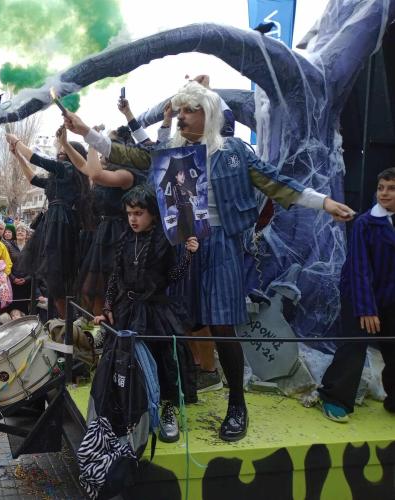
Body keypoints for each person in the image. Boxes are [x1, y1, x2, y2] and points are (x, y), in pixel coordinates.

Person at [66, 80, 354, 441]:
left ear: (211, 114)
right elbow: (125, 154)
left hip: (222, 248)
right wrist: (86, 133)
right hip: (180, 246)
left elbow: (275, 182)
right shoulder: (172, 151)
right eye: (181, 110)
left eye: (191, 110)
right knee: (171, 329)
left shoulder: (234, 151)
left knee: (222, 328)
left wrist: (323, 202)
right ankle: (170, 402)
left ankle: (237, 404)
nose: (182, 116)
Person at [94, 184, 199, 443]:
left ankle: (167, 410)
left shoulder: (164, 239)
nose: (133, 219)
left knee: (165, 361)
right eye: (130, 213)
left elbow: (171, 277)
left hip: (156, 311)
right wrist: (107, 307)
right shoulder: (124, 239)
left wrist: (188, 256)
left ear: (152, 213)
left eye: (139, 213)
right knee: (124, 361)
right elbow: (115, 277)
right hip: (127, 311)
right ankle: (128, 409)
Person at [317, 167, 395, 422]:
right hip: (359, 295)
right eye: (381, 188)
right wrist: (366, 308)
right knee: (354, 346)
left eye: (391, 188)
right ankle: (335, 397)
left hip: (389, 296)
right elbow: (359, 269)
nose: (384, 193)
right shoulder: (366, 223)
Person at [57, 127, 145, 315]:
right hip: (103, 233)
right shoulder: (108, 170)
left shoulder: (127, 174)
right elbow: (83, 166)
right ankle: (100, 327)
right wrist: (65, 144)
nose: (102, 145)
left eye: (106, 143)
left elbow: (95, 174)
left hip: (120, 235)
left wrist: (91, 141)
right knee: (91, 289)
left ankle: (112, 326)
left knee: (111, 289)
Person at [6, 130, 92, 318]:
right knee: (52, 275)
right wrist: (18, 155)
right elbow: (33, 179)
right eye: (60, 150)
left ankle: (67, 320)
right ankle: (63, 319)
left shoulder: (68, 169)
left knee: (56, 274)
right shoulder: (59, 176)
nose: (60, 152)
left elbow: (38, 160)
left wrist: (17, 142)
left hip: (60, 224)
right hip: (53, 223)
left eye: (64, 150)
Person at [5, 223, 31, 315]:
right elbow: (6, 263)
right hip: (13, 282)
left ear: (26, 234)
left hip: (26, 282)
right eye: (18, 230)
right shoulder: (9, 246)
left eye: (22, 231)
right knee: (13, 306)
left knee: (24, 307)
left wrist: (26, 279)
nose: (20, 232)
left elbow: (34, 265)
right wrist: (13, 278)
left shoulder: (31, 247)